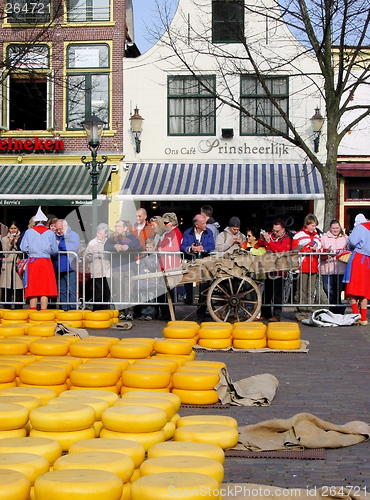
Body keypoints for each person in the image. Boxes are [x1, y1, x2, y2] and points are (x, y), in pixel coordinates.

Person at [19, 207, 58, 310]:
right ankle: (44, 311)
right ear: (45, 222)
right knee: (44, 287)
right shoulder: (50, 233)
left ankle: (33, 310)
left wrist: (30, 251)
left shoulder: (29, 232)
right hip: (46, 261)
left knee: (33, 286)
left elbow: (23, 247)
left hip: (33, 261)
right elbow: (54, 249)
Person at [104, 220, 142, 320]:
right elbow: (106, 246)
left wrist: (127, 246)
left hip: (129, 268)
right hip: (116, 268)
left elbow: (137, 243)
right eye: (116, 226)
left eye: (119, 226)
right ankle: (121, 311)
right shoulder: (112, 237)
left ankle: (129, 311)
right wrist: (114, 246)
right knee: (118, 290)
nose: (117, 228)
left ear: (125, 228)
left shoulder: (131, 237)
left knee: (129, 291)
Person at [180, 214, 215, 321]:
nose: (206, 225)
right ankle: (189, 298)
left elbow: (212, 246)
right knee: (187, 279)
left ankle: (201, 312)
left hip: (204, 262)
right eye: (203, 223)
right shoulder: (187, 232)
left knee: (204, 287)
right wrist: (191, 248)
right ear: (197, 225)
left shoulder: (209, 232)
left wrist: (202, 248)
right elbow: (182, 246)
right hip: (192, 261)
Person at [259, 219, 292, 322]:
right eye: (274, 230)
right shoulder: (270, 235)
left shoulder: (286, 239)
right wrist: (262, 238)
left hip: (280, 269)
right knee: (267, 292)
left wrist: (269, 242)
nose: (275, 233)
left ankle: (277, 315)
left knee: (277, 293)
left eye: (277, 231)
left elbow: (280, 250)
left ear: (283, 229)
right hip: (269, 268)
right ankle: (265, 312)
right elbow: (260, 243)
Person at [292, 214, 322, 322]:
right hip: (302, 266)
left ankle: (308, 312)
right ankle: (300, 313)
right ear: (307, 224)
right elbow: (294, 250)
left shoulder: (317, 236)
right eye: (312, 225)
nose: (314, 228)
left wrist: (317, 249)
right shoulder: (298, 235)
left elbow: (321, 248)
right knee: (301, 291)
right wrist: (308, 249)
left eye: (315, 226)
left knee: (310, 291)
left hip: (313, 266)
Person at [343, 215, 370, 325]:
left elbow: (352, 241)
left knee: (352, 289)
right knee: (364, 291)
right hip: (368, 260)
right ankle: (364, 318)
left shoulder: (360, 227)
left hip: (358, 258)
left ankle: (356, 315)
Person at [156, 212, 183, 320]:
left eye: (166, 223)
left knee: (168, 290)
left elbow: (176, 247)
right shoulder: (166, 233)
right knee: (163, 290)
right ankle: (164, 313)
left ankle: (168, 314)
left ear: (172, 222)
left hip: (170, 264)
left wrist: (162, 250)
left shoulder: (175, 232)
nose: (164, 225)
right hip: (164, 263)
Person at [320, 219, 348, 314]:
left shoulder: (345, 238)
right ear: (330, 228)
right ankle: (339, 308)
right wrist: (326, 253)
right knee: (327, 288)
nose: (335, 230)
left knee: (338, 290)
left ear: (340, 228)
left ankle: (335, 310)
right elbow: (320, 252)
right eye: (333, 228)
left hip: (341, 268)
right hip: (327, 268)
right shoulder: (324, 238)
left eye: (337, 228)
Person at [84, 223, 111, 311]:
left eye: (100, 233)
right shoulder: (92, 243)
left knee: (106, 292)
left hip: (108, 271)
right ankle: (97, 310)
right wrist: (90, 254)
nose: (98, 235)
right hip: (97, 271)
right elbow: (85, 256)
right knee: (98, 292)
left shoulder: (109, 242)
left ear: (106, 234)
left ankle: (105, 310)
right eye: (97, 233)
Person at [55, 219, 80, 311]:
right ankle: (64, 308)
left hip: (70, 266)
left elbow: (73, 247)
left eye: (60, 229)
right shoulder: (56, 236)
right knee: (62, 290)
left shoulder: (73, 235)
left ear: (65, 226)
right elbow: (53, 250)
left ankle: (73, 309)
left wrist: (59, 244)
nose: (58, 231)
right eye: (57, 229)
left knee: (71, 290)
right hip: (60, 267)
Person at [0, 221, 24, 309]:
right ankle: (6, 307)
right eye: (11, 228)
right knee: (6, 287)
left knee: (18, 287)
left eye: (15, 228)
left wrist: (17, 243)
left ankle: (19, 308)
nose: (13, 230)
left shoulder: (22, 238)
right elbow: (5, 252)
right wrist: (10, 242)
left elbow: (23, 252)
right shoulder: (4, 239)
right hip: (7, 266)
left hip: (18, 265)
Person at [136, 238, 160, 320]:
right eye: (147, 247)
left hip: (152, 281)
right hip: (143, 281)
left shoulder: (155, 257)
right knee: (143, 298)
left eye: (150, 247)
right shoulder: (144, 257)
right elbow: (141, 269)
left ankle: (150, 313)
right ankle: (144, 313)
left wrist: (146, 261)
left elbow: (153, 267)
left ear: (154, 248)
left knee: (151, 297)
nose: (148, 249)